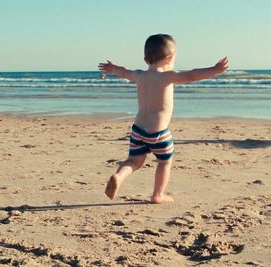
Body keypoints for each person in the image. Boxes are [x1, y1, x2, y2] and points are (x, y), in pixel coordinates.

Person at [98, 34, 228, 204]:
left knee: (133, 161)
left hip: (138, 130)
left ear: (146, 59)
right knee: (165, 162)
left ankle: (119, 176)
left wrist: (112, 67)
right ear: (169, 58)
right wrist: (214, 70)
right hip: (158, 133)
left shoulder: (139, 75)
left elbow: (123, 71)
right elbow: (192, 75)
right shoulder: (167, 77)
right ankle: (157, 195)